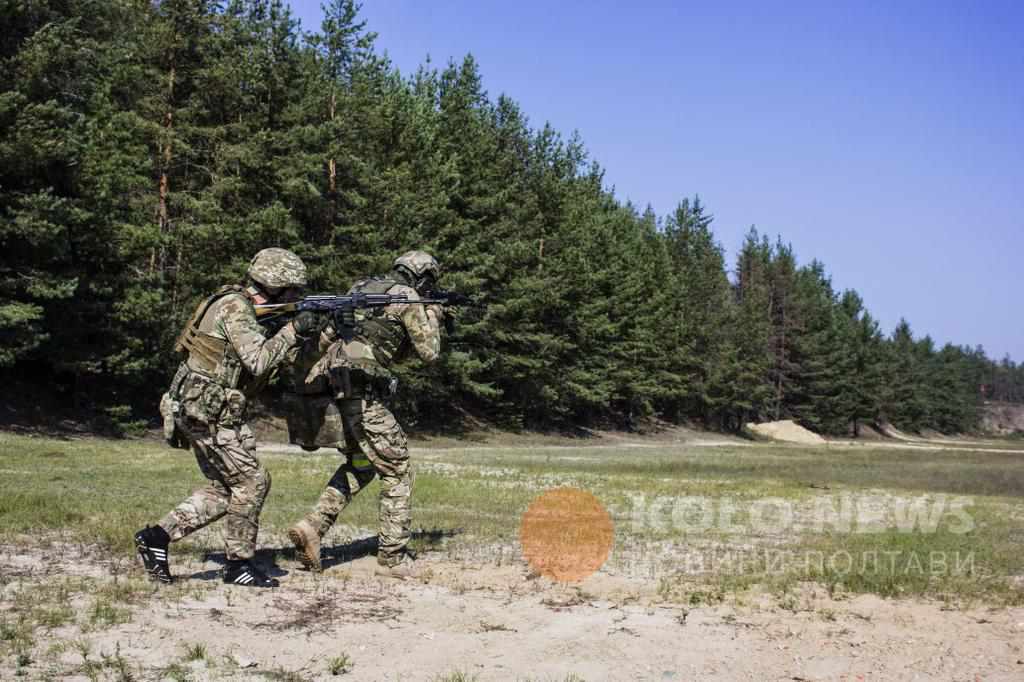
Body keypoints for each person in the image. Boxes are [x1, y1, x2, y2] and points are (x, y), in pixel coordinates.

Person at [135, 248, 323, 588]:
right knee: (252, 482)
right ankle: (239, 566)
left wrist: (303, 334)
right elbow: (258, 361)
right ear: (275, 285)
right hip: (205, 413)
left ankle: (156, 537)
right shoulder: (235, 307)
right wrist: (293, 329)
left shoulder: (235, 302)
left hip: (204, 410)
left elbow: (268, 361)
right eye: (293, 289)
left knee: (228, 488)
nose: (297, 295)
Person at [286, 250, 445, 578]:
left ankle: (312, 527)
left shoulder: (361, 290)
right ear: (424, 278)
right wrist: (433, 314)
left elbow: (330, 338)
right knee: (398, 470)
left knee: (362, 465)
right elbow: (430, 352)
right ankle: (393, 557)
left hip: (334, 389)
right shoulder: (408, 297)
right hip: (364, 393)